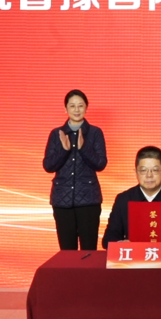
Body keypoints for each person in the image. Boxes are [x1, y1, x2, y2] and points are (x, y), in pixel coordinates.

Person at [43, 89, 108, 251]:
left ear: (86, 108)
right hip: (62, 201)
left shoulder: (95, 133)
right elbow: (48, 166)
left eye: (80, 105)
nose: (76, 110)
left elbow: (100, 164)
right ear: (65, 109)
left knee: (88, 251)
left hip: (89, 200)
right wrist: (64, 150)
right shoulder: (56, 134)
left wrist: (83, 148)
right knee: (67, 253)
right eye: (72, 106)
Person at [101, 146, 161, 253]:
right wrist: (120, 244)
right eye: (143, 170)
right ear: (136, 172)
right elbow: (108, 238)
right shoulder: (123, 199)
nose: (149, 175)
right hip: (133, 259)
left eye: (155, 170)